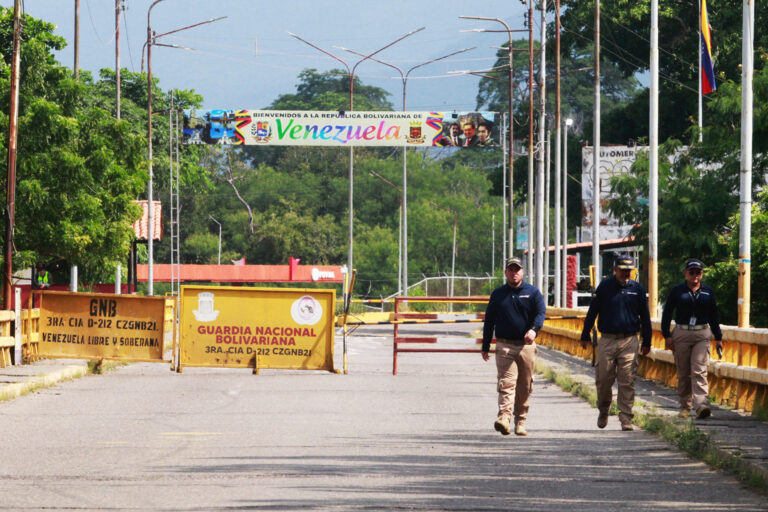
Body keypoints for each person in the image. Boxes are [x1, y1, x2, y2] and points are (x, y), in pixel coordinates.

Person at [580, 254, 651, 431]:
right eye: (623, 270)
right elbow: (592, 312)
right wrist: (585, 334)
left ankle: (626, 417)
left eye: (629, 270)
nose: (626, 273)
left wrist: (647, 341)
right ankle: (604, 409)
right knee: (604, 379)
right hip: (607, 340)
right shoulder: (605, 287)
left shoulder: (638, 289)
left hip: (630, 340)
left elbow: (645, 317)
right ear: (615, 270)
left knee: (627, 380)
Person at [482, 257, 546, 436]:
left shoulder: (533, 293)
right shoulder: (498, 294)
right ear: (506, 273)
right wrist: (485, 345)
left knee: (525, 386)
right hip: (505, 345)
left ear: (522, 272)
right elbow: (489, 321)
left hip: (526, 346)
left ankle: (521, 421)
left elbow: (541, 313)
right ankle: (504, 418)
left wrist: (534, 330)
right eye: (510, 269)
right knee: (506, 383)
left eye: (517, 269)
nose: (514, 273)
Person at [661, 258, 723, 420]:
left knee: (699, 370)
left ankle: (701, 405)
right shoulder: (677, 291)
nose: (695, 275)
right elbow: (667, 313)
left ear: (702, 274)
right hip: (682, 332)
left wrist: (718, 337)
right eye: (692, 272)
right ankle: (685, 406)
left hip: (702, 333)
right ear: (685, 273)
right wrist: (666, 335)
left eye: (698, 272)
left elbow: (714, 315)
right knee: (683, 372)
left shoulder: (707, 291)